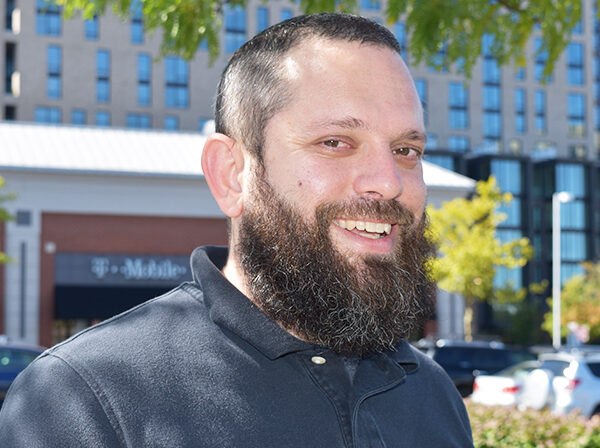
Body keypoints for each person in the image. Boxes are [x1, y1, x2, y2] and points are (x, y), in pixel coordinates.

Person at [0, 13, 473, 447]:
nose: (389, 182)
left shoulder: (432, 395)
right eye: (335, 142)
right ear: (232, 174)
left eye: (407, 151)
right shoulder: (84, 401)